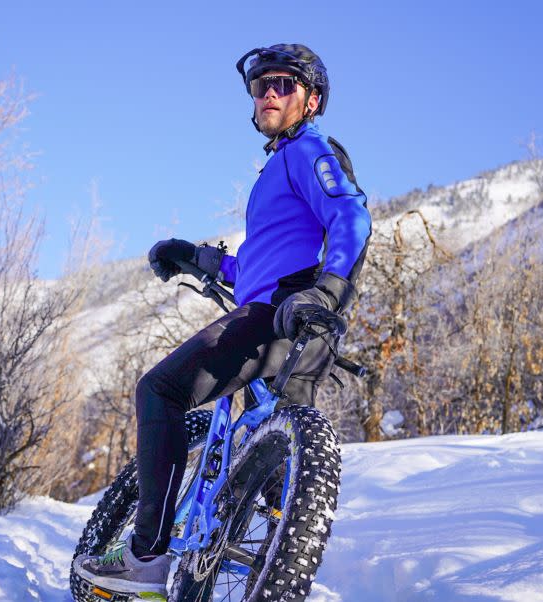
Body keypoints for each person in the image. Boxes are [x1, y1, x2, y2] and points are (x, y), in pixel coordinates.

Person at [73, 43, 372, 597]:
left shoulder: (308, 152)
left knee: (160, 390)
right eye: (262, 86)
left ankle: (146, 557)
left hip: (282, 312)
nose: (269, 94)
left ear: (313, 100)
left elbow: (351, 215)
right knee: (257, 455)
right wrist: (201, 258)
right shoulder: (277, 169)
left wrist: (328, 293)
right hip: (285, 313)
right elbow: (267, 261)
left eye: (284, 85)